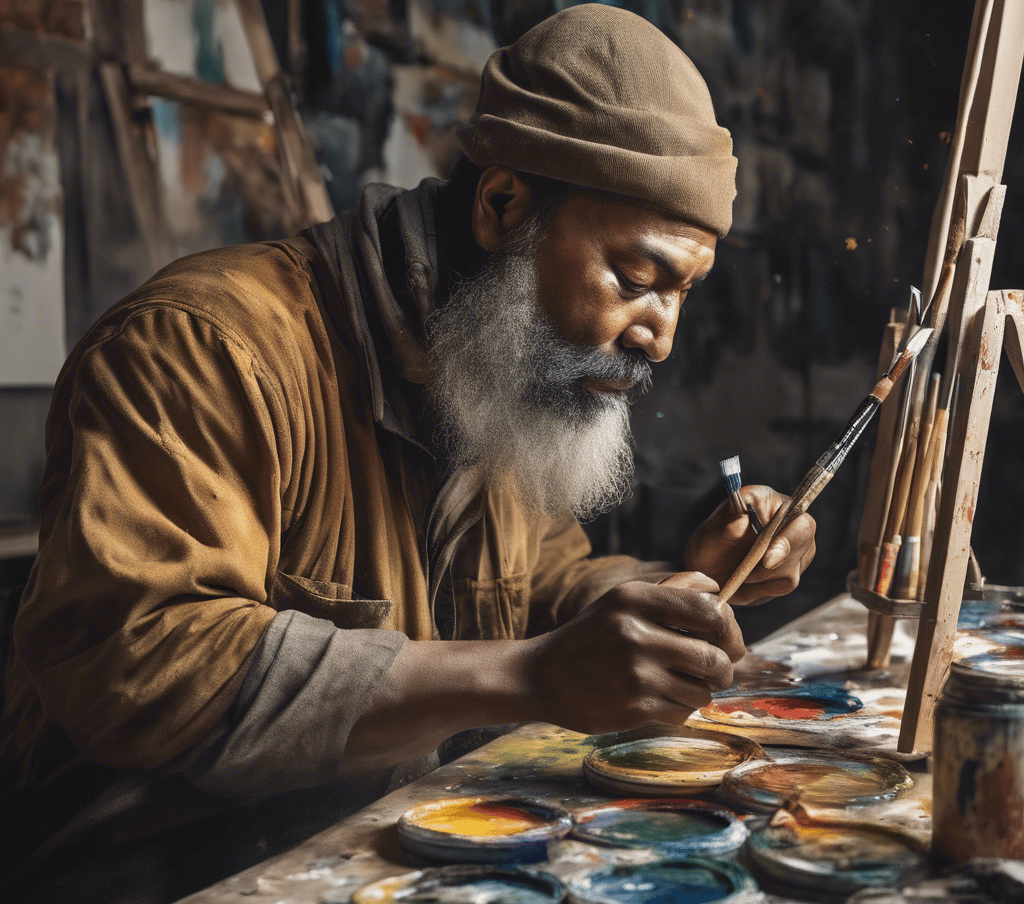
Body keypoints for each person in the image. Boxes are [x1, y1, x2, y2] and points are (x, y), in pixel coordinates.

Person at [1, 5, 815, 901]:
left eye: (683, 293)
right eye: (636, 279)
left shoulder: (495, 373)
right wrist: (533, 674)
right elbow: (146, 660)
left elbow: (544, 584)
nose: (660, 338)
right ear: (504, 205)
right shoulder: (202, 348)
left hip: (384, 857)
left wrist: (676, 599)